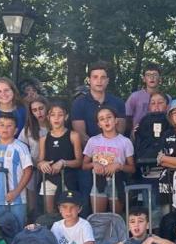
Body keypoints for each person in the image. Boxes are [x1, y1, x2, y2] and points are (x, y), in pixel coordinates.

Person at [72, 62, 128, 198]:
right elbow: (81, 134)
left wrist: (109, 158)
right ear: (89, 80)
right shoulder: (79, 103)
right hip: (90, 161)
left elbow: (120, 131)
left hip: (115, 162)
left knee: (117, 202)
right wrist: (98, 158)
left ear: (107, 81)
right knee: (88, 203)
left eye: (103, 77)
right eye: (95, 77)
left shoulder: (118, 103)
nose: (99, 80)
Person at [0, 112, 33, 227]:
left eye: (9, 125)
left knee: (17, 228)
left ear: (16, 130)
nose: (5, 128)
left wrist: (16, 192)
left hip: (16, 199)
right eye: (2, 125)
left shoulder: (21, 148)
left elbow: (28, 171)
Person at [82, 106, 135, 213]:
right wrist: (94, 164)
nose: (106, 120)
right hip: (98, 181)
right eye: (101, 119)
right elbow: (84, 165)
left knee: (116, 218)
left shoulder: (125, 141)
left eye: (109, 117)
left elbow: (132, 168)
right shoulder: (93, 141)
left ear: (115, 120)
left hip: (118, 181)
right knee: (98, 218)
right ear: (99, 124)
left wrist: (119, 165)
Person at [37, 101, 83, 215]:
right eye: (53, 115)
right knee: (50, 213)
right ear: (48, 117)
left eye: (60, 115)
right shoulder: (43, 138)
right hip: (49, 178)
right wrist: (43, 164)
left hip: (67, 179)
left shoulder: (73, 135)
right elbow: (39, 160)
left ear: (66, 117)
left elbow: (79, 161)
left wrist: (63, 162)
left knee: (67, 212)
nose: (56, 118)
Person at [22, 96, 49, 215]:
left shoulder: (55, 125)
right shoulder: (28, 129)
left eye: (41, 108)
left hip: (52, 169)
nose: (39, 112)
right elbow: (21, 149)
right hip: (33, 169)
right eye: (34, 110)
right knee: (33, 204)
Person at [126, 63, 168, 133]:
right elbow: (127, 118)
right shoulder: (135, 97)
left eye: (155, 75)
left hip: (162, 135)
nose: (152, 78)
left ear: (160, 78)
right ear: (144, 79)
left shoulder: (167, 97)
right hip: (139, 137)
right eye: (148, 75)